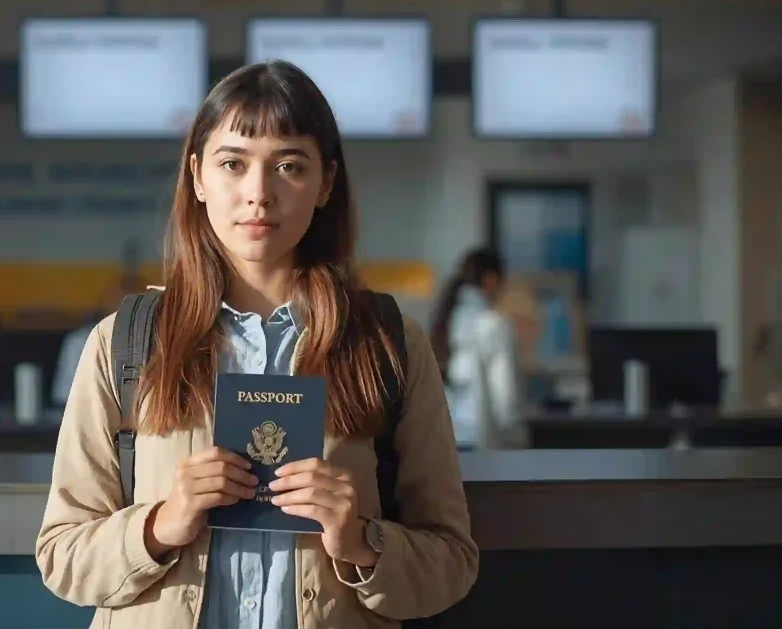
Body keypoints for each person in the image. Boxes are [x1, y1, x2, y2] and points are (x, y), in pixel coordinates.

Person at [36, 61, 478, 628]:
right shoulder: (124, 344)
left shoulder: (388, 344)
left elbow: (453, 561)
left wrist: (361, 543)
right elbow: (62, 556)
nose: (258, 194)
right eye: (232, 164)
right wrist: (161, 525)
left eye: (289, 166)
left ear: (326, 183)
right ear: (197, 177)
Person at [429, 248, 524, 449]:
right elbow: (506, 400)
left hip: (446, 442)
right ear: (491, 280)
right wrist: (518, 440)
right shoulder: (494, 324)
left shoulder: (446, 321)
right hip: (481, 441)